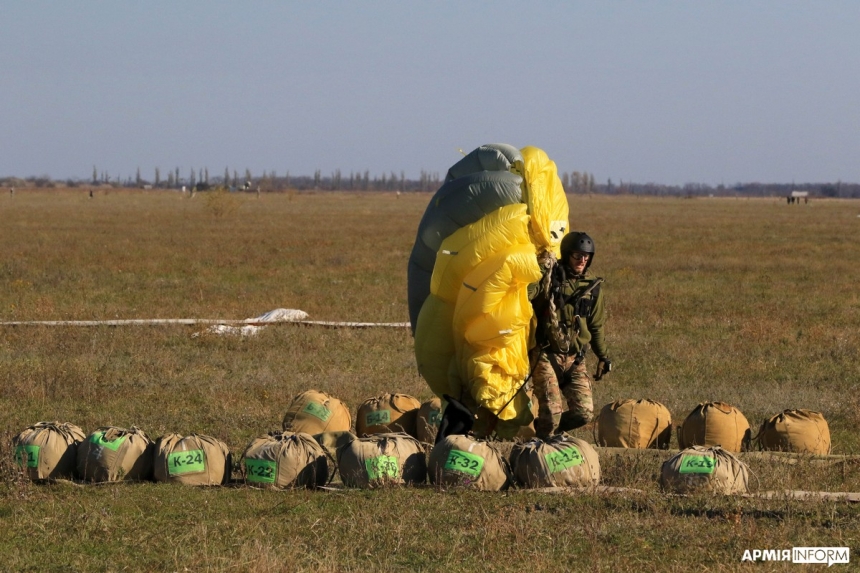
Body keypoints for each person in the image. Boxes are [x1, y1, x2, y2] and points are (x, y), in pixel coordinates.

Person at [528, 231, 611, 438]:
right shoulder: (549, 278)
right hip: (546, 355)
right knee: (551, 415)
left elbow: (596, 326)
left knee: (583, 413)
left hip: (575, 359)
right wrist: (540, 271)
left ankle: (543, 431)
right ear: (566, 255)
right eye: (577, 256)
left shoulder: (592, 288)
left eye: (586, 256)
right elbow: (525, 295)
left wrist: (603, 356)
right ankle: (541, 449)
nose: (582, 260)